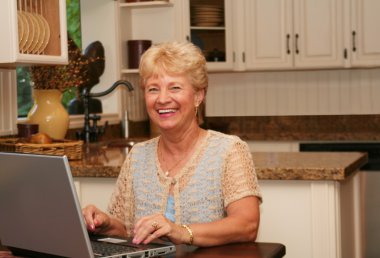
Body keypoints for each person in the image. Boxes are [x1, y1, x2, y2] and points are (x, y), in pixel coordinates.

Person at [82, 41, 262, 247]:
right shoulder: (138, 155)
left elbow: (247, 225)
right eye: (153, 89)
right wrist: (104, 223)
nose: (162, 99)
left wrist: (181, 231)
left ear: (198, 95)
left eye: (175, 87)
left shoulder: (229, 150)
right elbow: (126, 230)